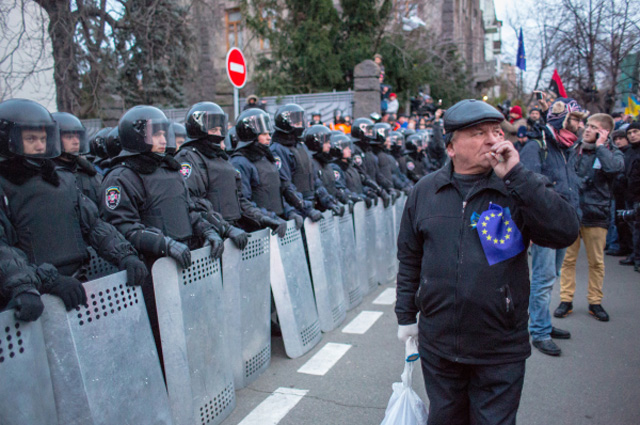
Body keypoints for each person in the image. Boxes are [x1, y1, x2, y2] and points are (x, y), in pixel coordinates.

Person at [395, 99, 579, 424]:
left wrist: (518, 177)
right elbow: (410, 258)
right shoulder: (425, 192)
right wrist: (406, 316)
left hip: (500, 347)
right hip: (440, 346)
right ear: (451, 147)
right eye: (479, 133)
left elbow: (564, 231)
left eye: (496, 131)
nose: (493, 140)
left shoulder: (517, 186)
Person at [0, 99, 148, 321]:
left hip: (77, 283)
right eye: (31, 139)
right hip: (32, 298)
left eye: (43, 138)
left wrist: (125, 255)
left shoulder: (61, 180)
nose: (40, 146)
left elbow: (94, 225)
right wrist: (30, 283)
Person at [99, 105, 223, 359]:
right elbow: (121, 225)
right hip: (152, 269)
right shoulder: (122, 177)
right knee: (162, 339)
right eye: (155, 135)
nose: (163, 140)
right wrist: (163, 244)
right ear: (136, 136)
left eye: (163, 134)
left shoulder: (170, 169)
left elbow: (188, 210)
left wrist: (208, 230)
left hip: (183, 260)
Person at [519, 97, 586, 356]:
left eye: (581, 121)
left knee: (551, 277)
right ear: (560, 119)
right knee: (543, 280)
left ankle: (542, 323)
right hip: (544, 228)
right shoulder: (537, 147)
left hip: (562, 225)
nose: (579, 126)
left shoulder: (566, 148)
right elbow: (528, 189)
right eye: (575, 120)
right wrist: (533, 226)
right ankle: (539, 331)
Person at [555, 113, 624, 322]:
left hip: (596, 214)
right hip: (573, 212)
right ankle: (566, 300)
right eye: (587, 125)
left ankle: (595, 302)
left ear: (604, 132)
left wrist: (602, 146)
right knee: (568, 260)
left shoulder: (612, 153)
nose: (586, 129)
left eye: (593, 127)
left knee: (596, 262)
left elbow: (613, 169)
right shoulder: (575, 149)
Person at [175, 101, 273, 248]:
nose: (219, 135)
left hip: (232, 233)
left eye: (220, 130)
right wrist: (224, 228)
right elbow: (194, 202)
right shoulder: (188, 157)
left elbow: (238, 199)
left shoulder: (220, 158)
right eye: (214, 130)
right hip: (210, 239)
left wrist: (261, 217)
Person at [229, 108, 305, 234]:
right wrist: (268, 218)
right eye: (264, 134)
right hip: (257, 230)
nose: (269, 138)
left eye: (269, 134)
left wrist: (289, 212)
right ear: (251, 135)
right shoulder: (240, 161)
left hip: (275, 225)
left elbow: (276, 193)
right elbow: (243, 201)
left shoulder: (266, 158)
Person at [270, 104, 334, 220]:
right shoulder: (277, 149)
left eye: (301, 122)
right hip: (296, 212)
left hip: (310, 207)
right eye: (297, 123)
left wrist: (328, 201)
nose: (301, 126)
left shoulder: (301, 146)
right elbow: (285, 185)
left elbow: (314, 178)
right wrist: (305, 208)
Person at [51, 112, 103, 205]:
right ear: (55, 139)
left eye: (77, 137)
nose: (76, 142)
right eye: (69, 137)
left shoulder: (91, 175)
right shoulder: (47, 175)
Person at [619, 122, 640, 271]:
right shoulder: (629, 152)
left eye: (635, 131)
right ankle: (635, 255)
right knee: (633, 228)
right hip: (630, 195)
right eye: (630, 133)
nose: (632, 135)